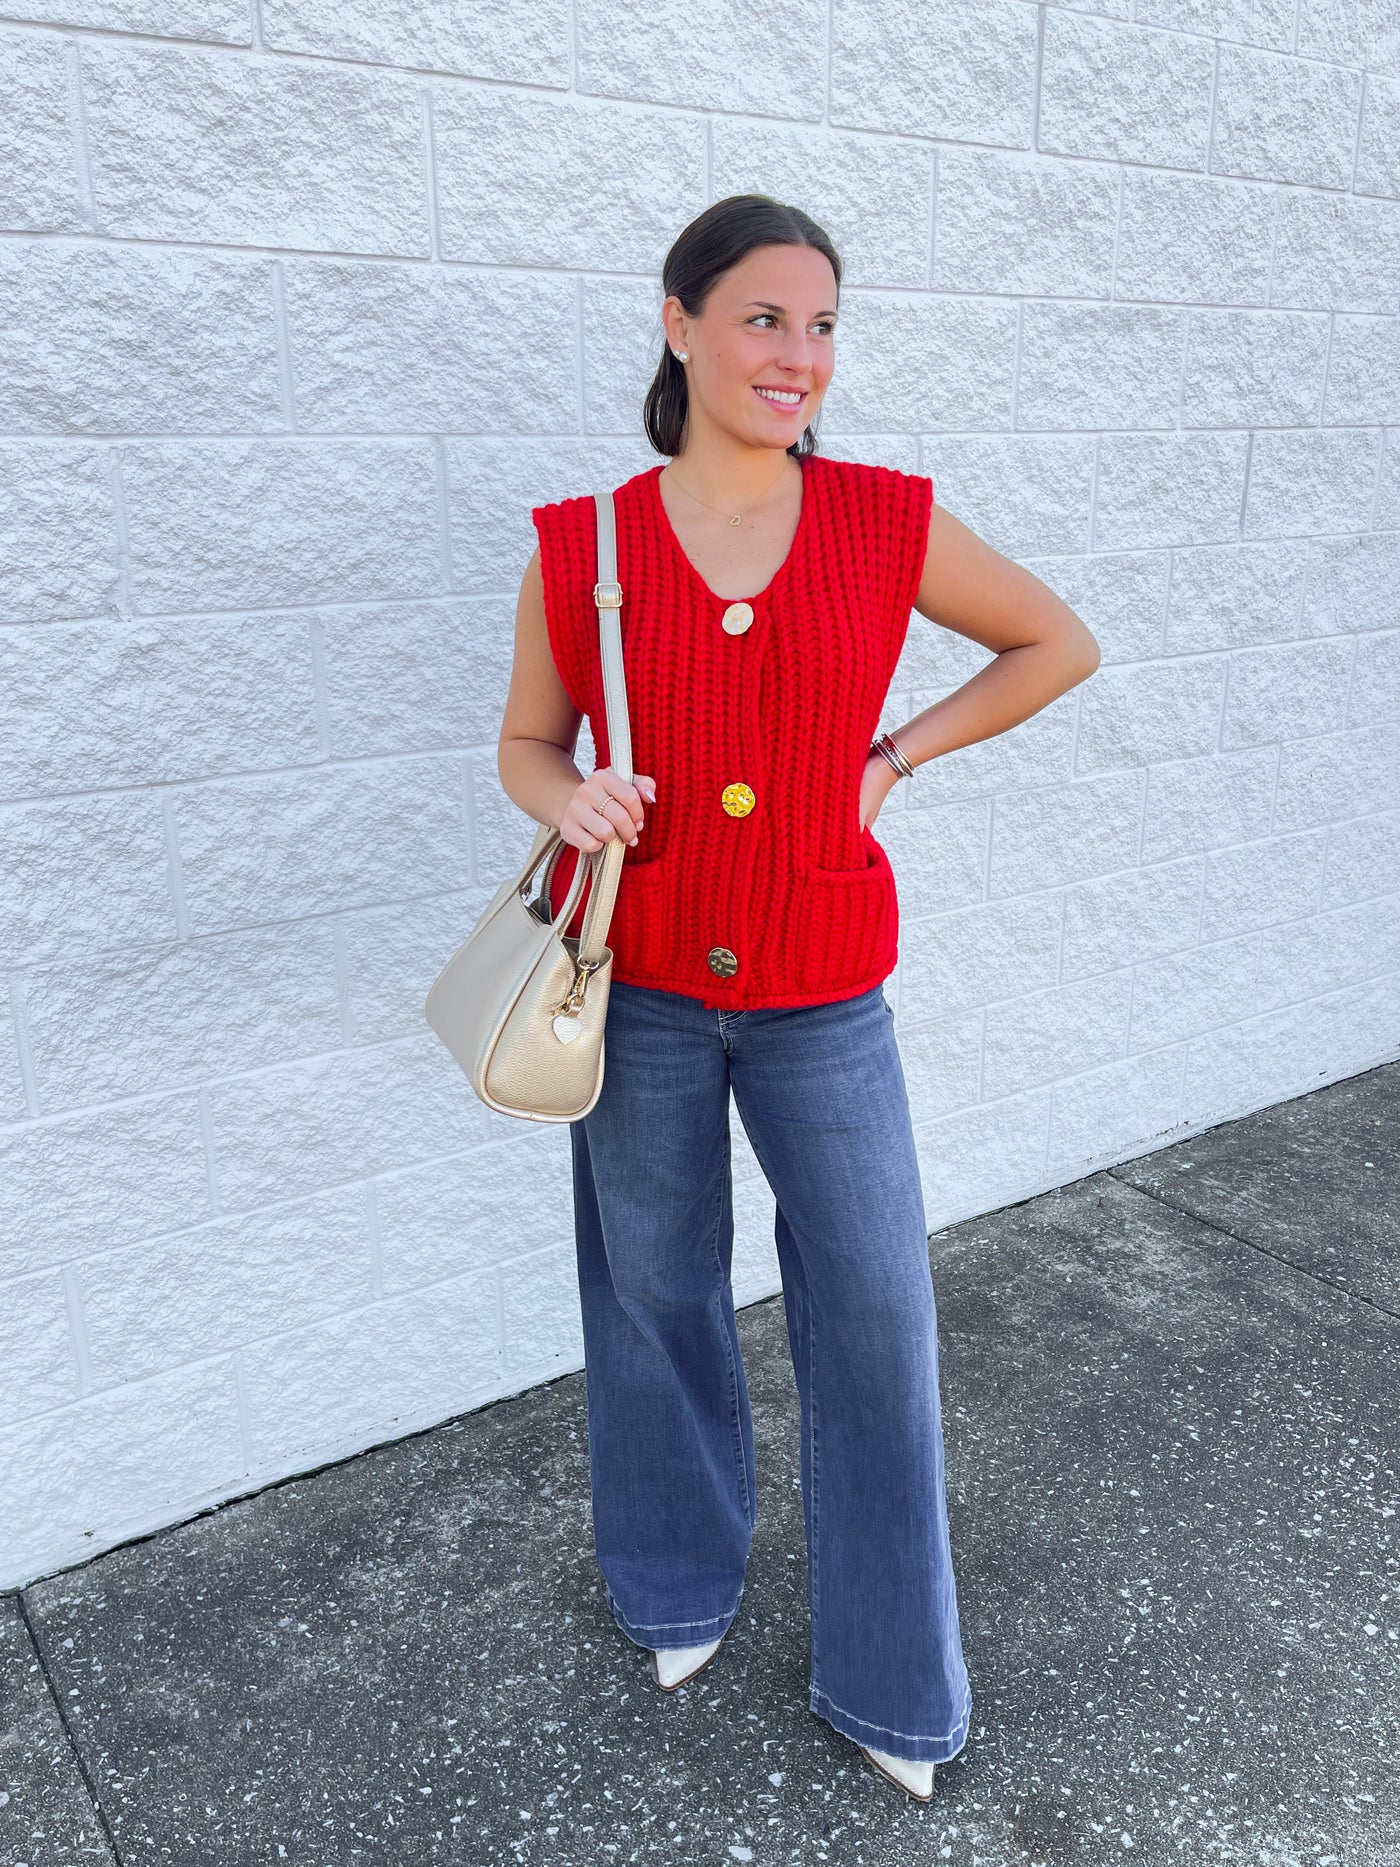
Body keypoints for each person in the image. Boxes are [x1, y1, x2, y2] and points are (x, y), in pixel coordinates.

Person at [497, 194, 1100, 1801]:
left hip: (827, 993)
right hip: (640, 1002)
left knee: (877, 1317)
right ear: (681, 322)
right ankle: (675, 1583)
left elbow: (1057, 642)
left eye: (823, 325)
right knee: (654, 1293)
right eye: (765, 317)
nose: (798, 355)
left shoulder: (887, 521)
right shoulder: (588, 541)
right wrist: (567, 800)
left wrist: (893, 757)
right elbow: (526, 745)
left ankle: (896, 1681)